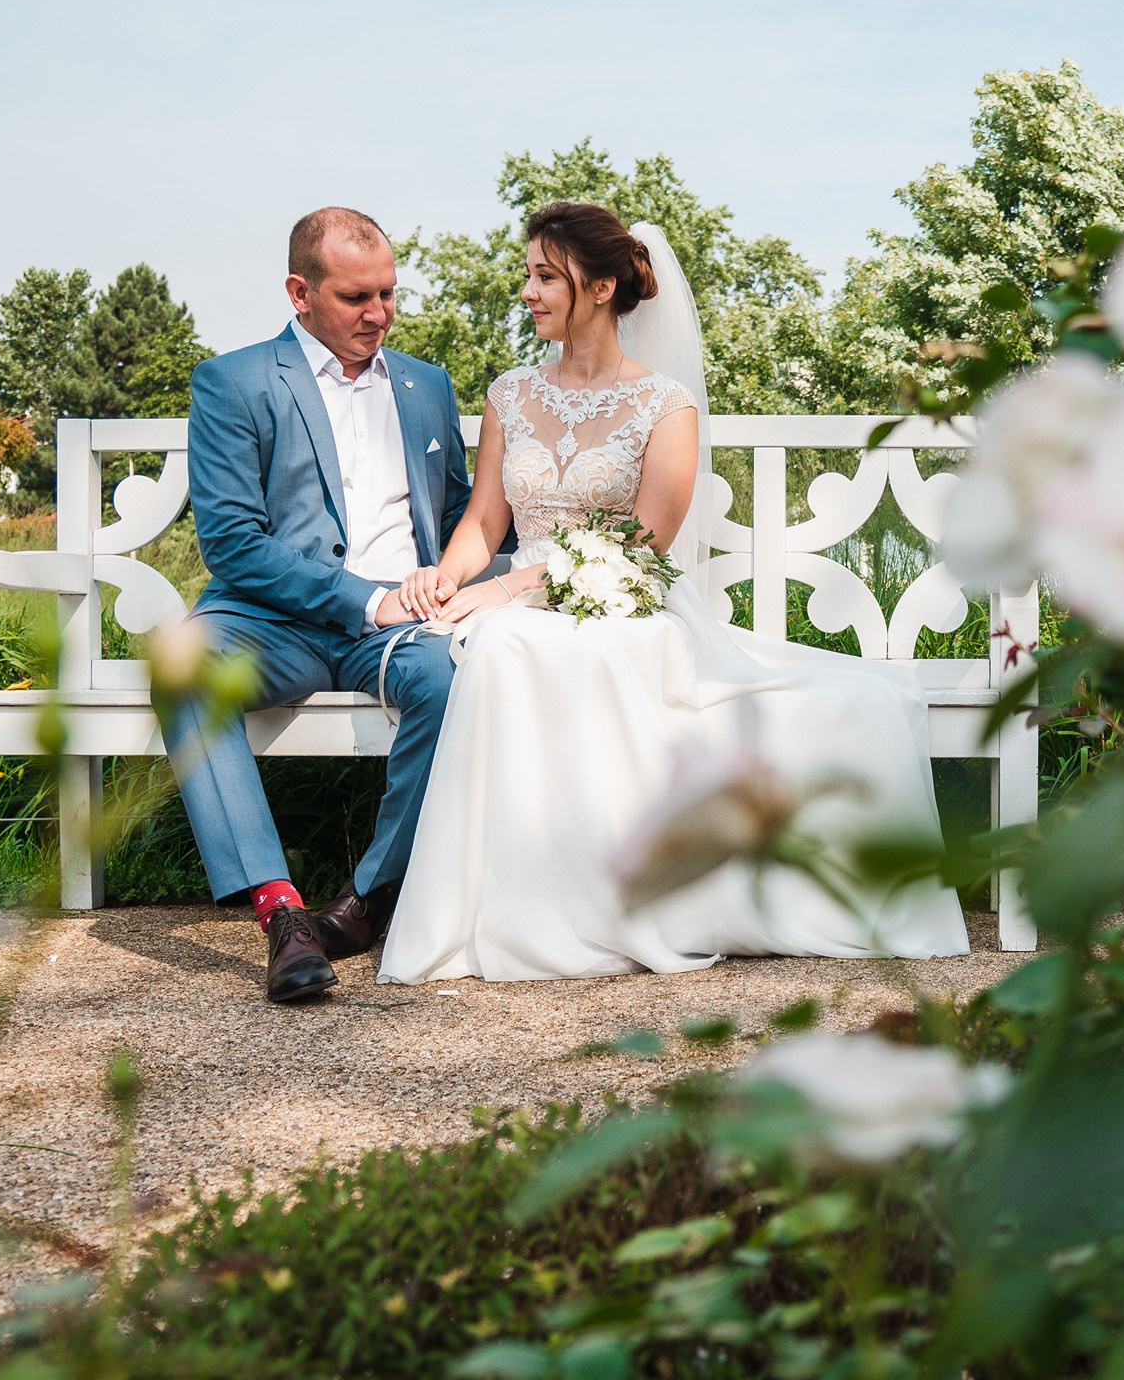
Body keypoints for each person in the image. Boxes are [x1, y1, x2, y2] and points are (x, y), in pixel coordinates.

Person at [371, 202, 969, 981]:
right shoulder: (509, 395)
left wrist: (523, 583)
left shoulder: (664, 404)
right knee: (499, 640)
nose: (528, 292)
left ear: (602, 286)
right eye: (529, 275)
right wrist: (446, 579)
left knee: (533, 641)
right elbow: (485, 518)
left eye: (545, 276)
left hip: (622, 595)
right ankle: (509, 907)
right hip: (519, 593)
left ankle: (605, 904)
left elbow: (647, 540)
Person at [169, 206, 481, 1002]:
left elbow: (459, 522)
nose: (378, 314)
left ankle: (367, 900)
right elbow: (234, 544)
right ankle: (282, 915)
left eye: (388, 295)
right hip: (271, 622)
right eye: (355, 298)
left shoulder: (426, 386)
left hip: (403, 628)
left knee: (455, 682)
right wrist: (365, 599)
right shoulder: (232, 381)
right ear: (299, 292)